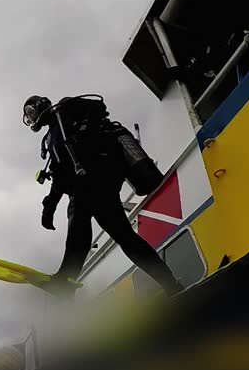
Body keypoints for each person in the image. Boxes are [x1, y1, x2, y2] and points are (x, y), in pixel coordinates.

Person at [23, 94, 184, 296]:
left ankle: (65, 280)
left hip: (99, 174)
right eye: (28, 116)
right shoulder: (51, 139)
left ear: (40, 106)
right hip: (91, 185)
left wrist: (84, 131)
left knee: (78, 217)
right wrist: (49, 206)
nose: (31, 118)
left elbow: (97, 105)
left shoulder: (66, 107)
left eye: (30, 112)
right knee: (124, 236)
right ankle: (170, 284)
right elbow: (59, 177)